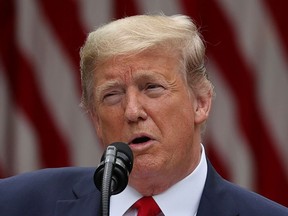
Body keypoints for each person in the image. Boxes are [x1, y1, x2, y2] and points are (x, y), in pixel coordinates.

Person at [0, 14, 287, 216]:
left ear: (200, 103)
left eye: (152, 87)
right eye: (112, 94)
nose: (132, 111)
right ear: (96, 120)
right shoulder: (16, 203)